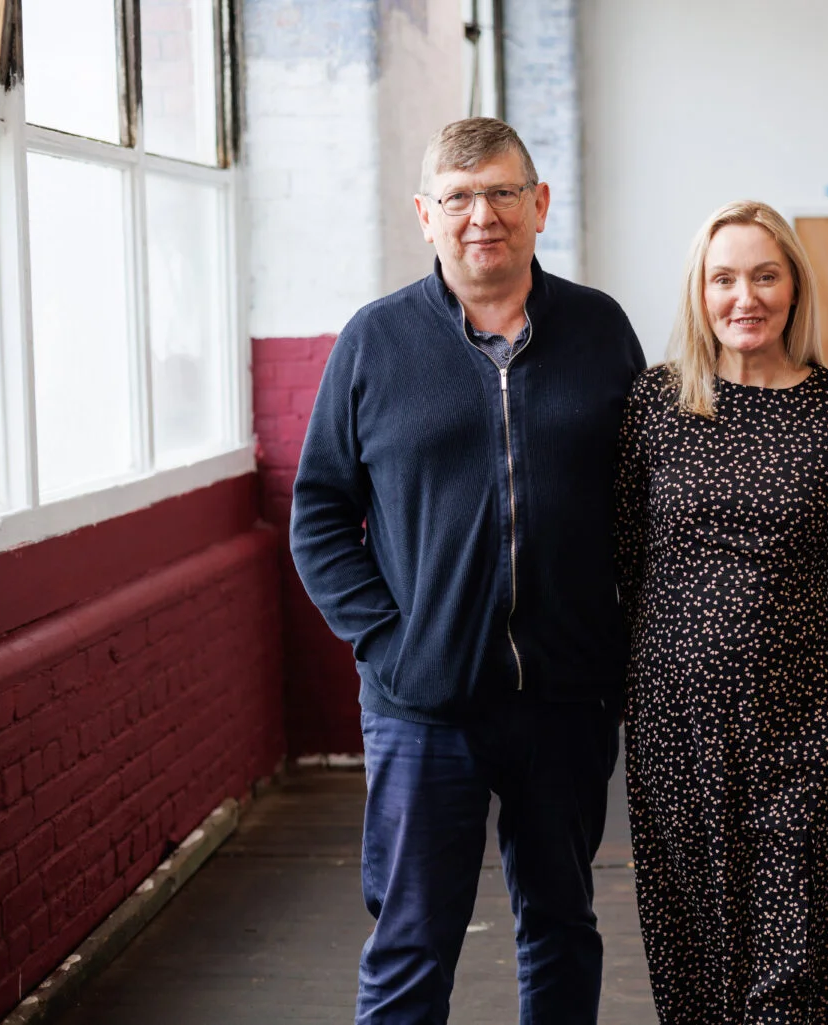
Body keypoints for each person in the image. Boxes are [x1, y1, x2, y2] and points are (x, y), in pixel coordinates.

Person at [290, 118, 645, 1025]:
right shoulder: (374, 341)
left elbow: (643, 503)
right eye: (458, 197)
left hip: (566, 697)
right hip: (423, 706)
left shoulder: (601, 330)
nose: (481, 215)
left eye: (501, 193)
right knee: (413, 938)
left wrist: (620, 651)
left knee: (562, 923)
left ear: (539, 205)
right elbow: (320, 516)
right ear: (425, 213)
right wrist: (390, 644)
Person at [614, 200, 828, 1023]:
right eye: (724, 277)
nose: (746, 296)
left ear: (795, 286)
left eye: (765, 275)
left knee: (798, 946)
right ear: (699, 292)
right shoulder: (656, 404)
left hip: (800, 714)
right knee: (696, 938)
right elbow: (627, 553)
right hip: (676, 722)